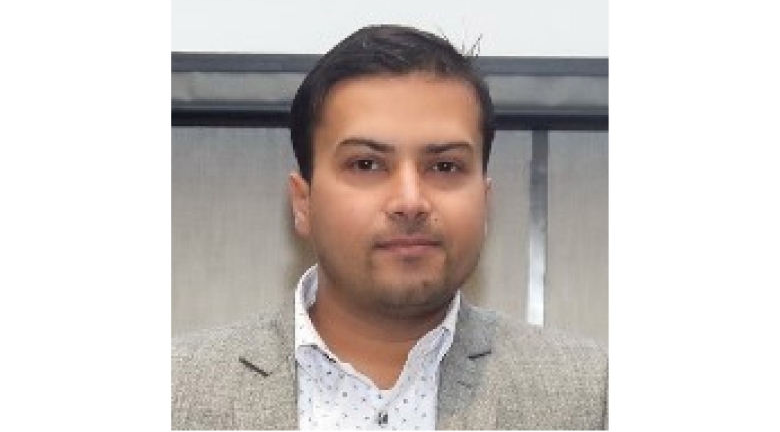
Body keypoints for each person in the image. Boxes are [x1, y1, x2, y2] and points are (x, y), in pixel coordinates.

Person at [172, 24, 607, 430]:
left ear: (486, 201)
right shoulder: (176, 392)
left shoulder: (589, 396)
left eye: (444, 165)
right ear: (303, 203)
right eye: (366, 164)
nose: (410, 201)